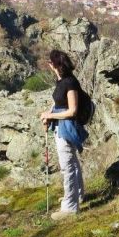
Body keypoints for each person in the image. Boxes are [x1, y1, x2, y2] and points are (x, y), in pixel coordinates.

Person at [39, 49, 87, 220]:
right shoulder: (60, 81)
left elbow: (72, 111)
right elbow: (58, 103)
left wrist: (50, 116)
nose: (49, 65)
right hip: (61, 126)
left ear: (56, 64)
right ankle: (77, 195)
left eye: (50, 62)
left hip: (68, 128)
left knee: (67, 165)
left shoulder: (70, 83)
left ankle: (70, 207)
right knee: (72, 162)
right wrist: (48, 114)